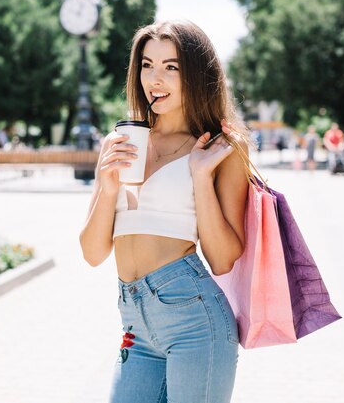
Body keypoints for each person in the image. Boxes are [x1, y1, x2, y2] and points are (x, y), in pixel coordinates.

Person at [79, 20, 250, 403]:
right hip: (135, 323)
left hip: (195, 322)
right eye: (147, 65)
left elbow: (223, 260)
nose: (155, 79)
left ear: (196, 74)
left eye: (171, 67)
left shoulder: (221, 148)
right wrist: (108, 189)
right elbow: (92, 253)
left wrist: (201, 177)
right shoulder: (120, 141)